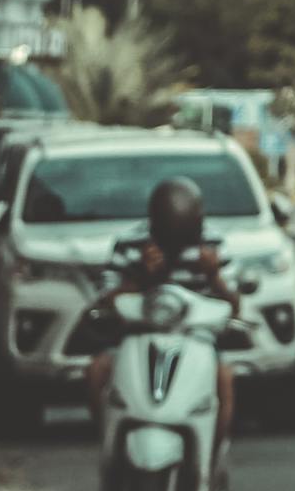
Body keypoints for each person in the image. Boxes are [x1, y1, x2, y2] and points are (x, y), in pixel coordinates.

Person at [85, 174, 242, 440]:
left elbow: (234, 305)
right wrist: (142, 276)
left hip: (196, 339)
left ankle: (211, 451)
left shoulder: (213, 245)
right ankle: (111, 442)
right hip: (137, 336)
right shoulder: (131, 243)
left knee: (224, 379)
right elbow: (106, 298)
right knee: (98, 372)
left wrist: (214, 276)